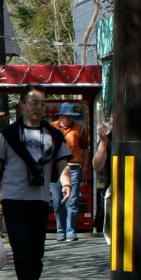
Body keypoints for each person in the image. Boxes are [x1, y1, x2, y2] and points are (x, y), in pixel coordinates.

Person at [0, 88, 72, 280]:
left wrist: (67, 183)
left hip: (40, 200)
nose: (38, 107)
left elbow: (63, 164)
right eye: (33, 102)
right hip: (13, 200)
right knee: (22, 249)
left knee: (37, 252)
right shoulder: (8, 135)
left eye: (42, 103)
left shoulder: (53, 135)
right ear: (22, 105)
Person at [51, 102, 89, 243]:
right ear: (61, 116)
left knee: (73, 201)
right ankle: (60, 231)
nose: (69, 119)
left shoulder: (79, 128)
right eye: (67, 116)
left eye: (72, 116)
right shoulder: (52, 127)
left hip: (73, 166)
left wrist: (84, 168)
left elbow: (85, 147)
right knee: (57, 201)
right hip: (56, 168)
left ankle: (71, 232)